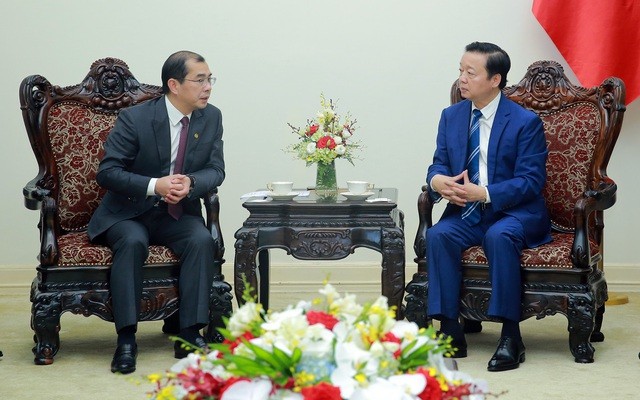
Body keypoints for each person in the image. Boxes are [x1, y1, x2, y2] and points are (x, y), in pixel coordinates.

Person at [88, 50, 225, 374]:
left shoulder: (212, 117)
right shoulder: (136, 118)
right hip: (128, 213)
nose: (208, 87)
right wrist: (155, 185)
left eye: (210, 79)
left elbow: (216, 169)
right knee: (133, 242)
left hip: (176, 213)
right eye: (200, 80)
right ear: (174, 85)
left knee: (200, 240)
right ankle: (126, 339)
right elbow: (107, 172)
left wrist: (190, 182)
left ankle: (189, 334)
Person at [425, 42, 551, 372]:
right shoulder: (451, 116)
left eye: (471, 72)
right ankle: (450, 329)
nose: (462, 79)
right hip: (467, 213)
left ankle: (511, 336)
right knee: (439, 235)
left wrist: (484, 193)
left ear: (495, 80)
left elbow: (531, 181)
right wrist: (439, 183)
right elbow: (438, 164)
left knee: (499, 236)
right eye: (460, 70)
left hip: (515, 212)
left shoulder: (525, 122)